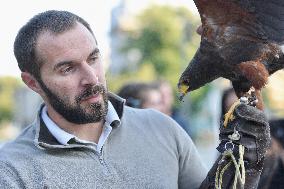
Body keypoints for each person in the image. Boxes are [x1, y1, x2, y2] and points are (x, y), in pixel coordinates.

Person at [0, 10, 270, 189]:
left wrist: (243, 167)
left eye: (93, 58)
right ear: (33, 83)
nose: (91, 78)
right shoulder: (12, 171)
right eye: (68, 68)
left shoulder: (161, 128)